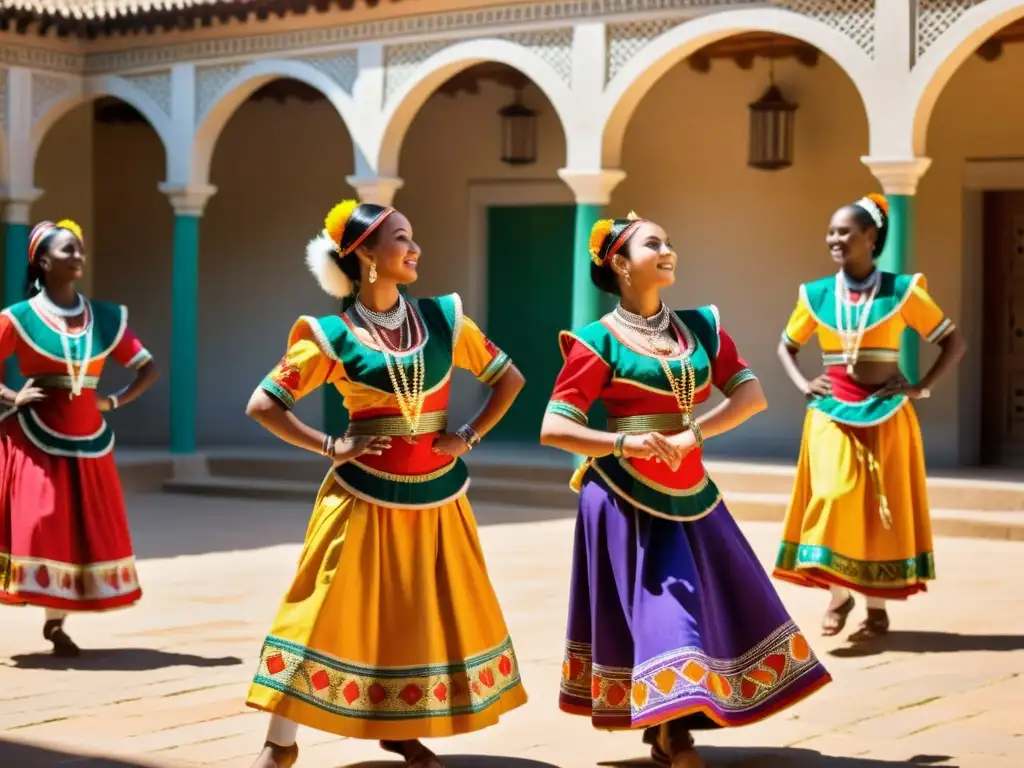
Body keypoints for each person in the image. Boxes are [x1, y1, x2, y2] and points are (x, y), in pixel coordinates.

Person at [539, 213, 831, 768]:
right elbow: (555, 427)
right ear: (620, 264)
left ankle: (668, 726)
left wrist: (692, 431)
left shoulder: (699, 327)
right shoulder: (597, 341)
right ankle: (676, 736)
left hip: (692, 488)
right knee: (667, 611)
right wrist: (625, 445)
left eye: (670, 242)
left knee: (716, 602)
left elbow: (750, 397)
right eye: (654, 244)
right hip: (624, 496)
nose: (669, 251)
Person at [245, 200, 528, 768]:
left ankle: (401, 729)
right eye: (401, 238)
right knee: (320, 608)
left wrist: (467, 435)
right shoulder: (329, 336)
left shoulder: (446, 321)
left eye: (413, 235)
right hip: (360, 494)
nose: (415, 247)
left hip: (436, 492)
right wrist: (329, 444)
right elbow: (263, 404)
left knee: (417, 610)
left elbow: (510, 379)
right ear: (365, 256)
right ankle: (280, 743)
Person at [774, 193, 966, 640]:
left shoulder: (903, 292)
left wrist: (921, 385)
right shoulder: (816, 293)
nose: (834, 239)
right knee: (835, 492)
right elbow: (787, 345)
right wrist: (805, 384)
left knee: (881, 510)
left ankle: (875, 608)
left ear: (870, 237)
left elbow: (952, 341)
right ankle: (839, 595)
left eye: (844, 231)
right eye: (831, 232)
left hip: (887, 408)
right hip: (830, 409)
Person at [0, 219, 159, 655]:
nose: (78, 257)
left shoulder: (104, 318)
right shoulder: (17, 318)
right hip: (34, 435)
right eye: (68, 250)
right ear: (43, 261)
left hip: (88, 435)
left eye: (80, 250)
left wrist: (113, 402)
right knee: (38, 523)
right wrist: (13, 394)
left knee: (76, 530)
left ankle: (55, 625)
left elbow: (147, 367)